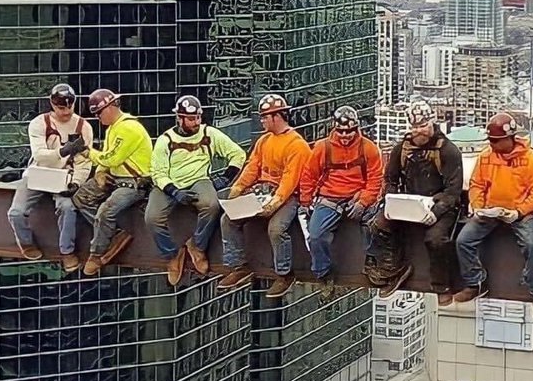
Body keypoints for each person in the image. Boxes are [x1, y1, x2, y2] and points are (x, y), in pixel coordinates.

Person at [365, 100, 463, 302]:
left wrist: (435, 212)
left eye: (423, 126)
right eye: (415, 127)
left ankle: (441, 286)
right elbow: (390, 179)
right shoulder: (402, 149)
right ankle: (393, 269)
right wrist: (391, 202)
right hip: (409, 202)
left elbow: (453, 190)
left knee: (436, 240)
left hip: (441, 204)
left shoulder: (447, 151)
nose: (419, 131)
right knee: (377, 226)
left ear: (432, 123)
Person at [145, 95, 246, 286]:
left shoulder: (208, 134)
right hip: (169, 183)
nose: (196, 122)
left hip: (199, 179)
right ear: (180, 119)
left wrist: (225, 178)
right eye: (191, 119)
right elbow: (157, 173)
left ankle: (197, 246)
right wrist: (174, 191)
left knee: (212, 205)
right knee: (152, 218)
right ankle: (172, 256)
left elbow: (237, 154)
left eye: (198, 117)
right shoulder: (165, 140)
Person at [454, 113, 533, 312]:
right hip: (491, 211)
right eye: (491, 140)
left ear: (510, 138)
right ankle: (475, 282)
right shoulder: (486, 157)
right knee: (464, 241)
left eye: (496, 140)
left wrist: (518, 212)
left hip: (521, 213)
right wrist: (478, 207)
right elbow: (477, 184)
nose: (492, 144)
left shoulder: (531, 160)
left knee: (532, 245)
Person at [220, 93, 310, 299]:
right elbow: (252, 167)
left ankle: (284, 274)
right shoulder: (264, 141)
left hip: (288, 197)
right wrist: (238, 188)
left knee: (277, 229)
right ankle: (238, 266)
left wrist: (275, 202)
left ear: (277, 117)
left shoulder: (296, 145)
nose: (261, 120)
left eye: (264, 117)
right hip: (262, 193)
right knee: (228, 219)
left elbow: (290, 179)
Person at [7, 83, 94, 272]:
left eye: (69, 106)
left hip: (65, 176)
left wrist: (76, 183)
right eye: (61, 107)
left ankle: (67, 252)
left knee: (68, 207)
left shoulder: (83, 126)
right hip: (39, 173)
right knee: (16, 212)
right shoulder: (39, 123)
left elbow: (84, 162)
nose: (66, 111)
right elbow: (39, 155)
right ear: (53, 105)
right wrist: (63, 151)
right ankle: (26, 243)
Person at [299, 106, 384, 294]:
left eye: (349, 131)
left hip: (358, 195)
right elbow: (309, 175)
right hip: (330, 198)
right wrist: (306, 202)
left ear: (356, 129)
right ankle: (324, 273)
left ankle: (373, 263)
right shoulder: (323, 147)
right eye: (341, 131)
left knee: (374, 225)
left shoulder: (368, 148)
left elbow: (376, 179)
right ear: (335, 129)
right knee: (316, 234)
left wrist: (363, 201)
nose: (345, 135)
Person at [74, 89, 153, 277]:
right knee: (81, 198)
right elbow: (106, 160)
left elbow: (111, 158)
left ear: (109, 108)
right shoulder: (113, 129)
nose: (97, 118)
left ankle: (97, 252)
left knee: (106, 211)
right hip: (116, 178)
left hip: (135, 183)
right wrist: (100, 173)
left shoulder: (128, 128)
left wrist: (87, 152)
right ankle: (113, 233)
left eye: (98, 113)